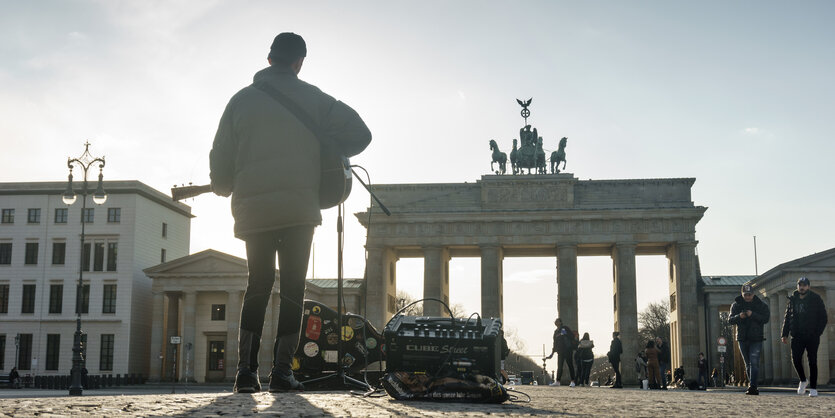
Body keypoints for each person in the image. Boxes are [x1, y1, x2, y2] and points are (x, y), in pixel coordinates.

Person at [210, 32, 372, 393]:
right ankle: (282, 373)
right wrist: (326, 147)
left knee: (258, 283)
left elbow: (219, 162)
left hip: (254, 209)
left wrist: (223, 184)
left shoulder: (239, 101)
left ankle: (246, 374)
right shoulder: (315, 99)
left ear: (269, 60)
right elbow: (361, 134)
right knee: (293, 288)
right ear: (299, 63)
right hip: (300, 209)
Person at [781, 277, 828, 397]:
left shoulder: (815, 299)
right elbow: (787, 317)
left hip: (812, 335)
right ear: (797, 286)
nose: (802, 287)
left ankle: (813, 388)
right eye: (800, 285)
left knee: (812, 361)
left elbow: (823, 317)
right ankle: (803, 380)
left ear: (808, 286)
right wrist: (784, 334)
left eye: (804, 285)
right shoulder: (792, 299)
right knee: (795, 359)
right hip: (797, 335)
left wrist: (817, 332)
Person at [728, 283, 770, 395]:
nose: (747, 297)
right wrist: (739, 316)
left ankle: (753, 386)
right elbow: (730, 320)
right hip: (742, 338)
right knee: (748, 364)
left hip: (756, 338)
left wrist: (753, 314)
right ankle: (752, 384)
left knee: (754, 362)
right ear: (742, 294)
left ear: (753, 294)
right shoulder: (736, 305)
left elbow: (766, 318)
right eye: (745, 295)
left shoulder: (760, 304)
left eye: (749, 295)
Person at [545, 318, 577, 387]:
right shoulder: (556, 332)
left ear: (560, 322)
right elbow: (555, 343)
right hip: (560, 351)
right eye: (555, 321)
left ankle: (573, 381)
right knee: (559, 366)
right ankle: (558, 381)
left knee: (570, 365)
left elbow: (572, 336)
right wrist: (552, 353)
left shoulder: (564, 328)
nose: (555, 322)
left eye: (557, 321)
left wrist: (565, 334)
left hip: (568, 350)